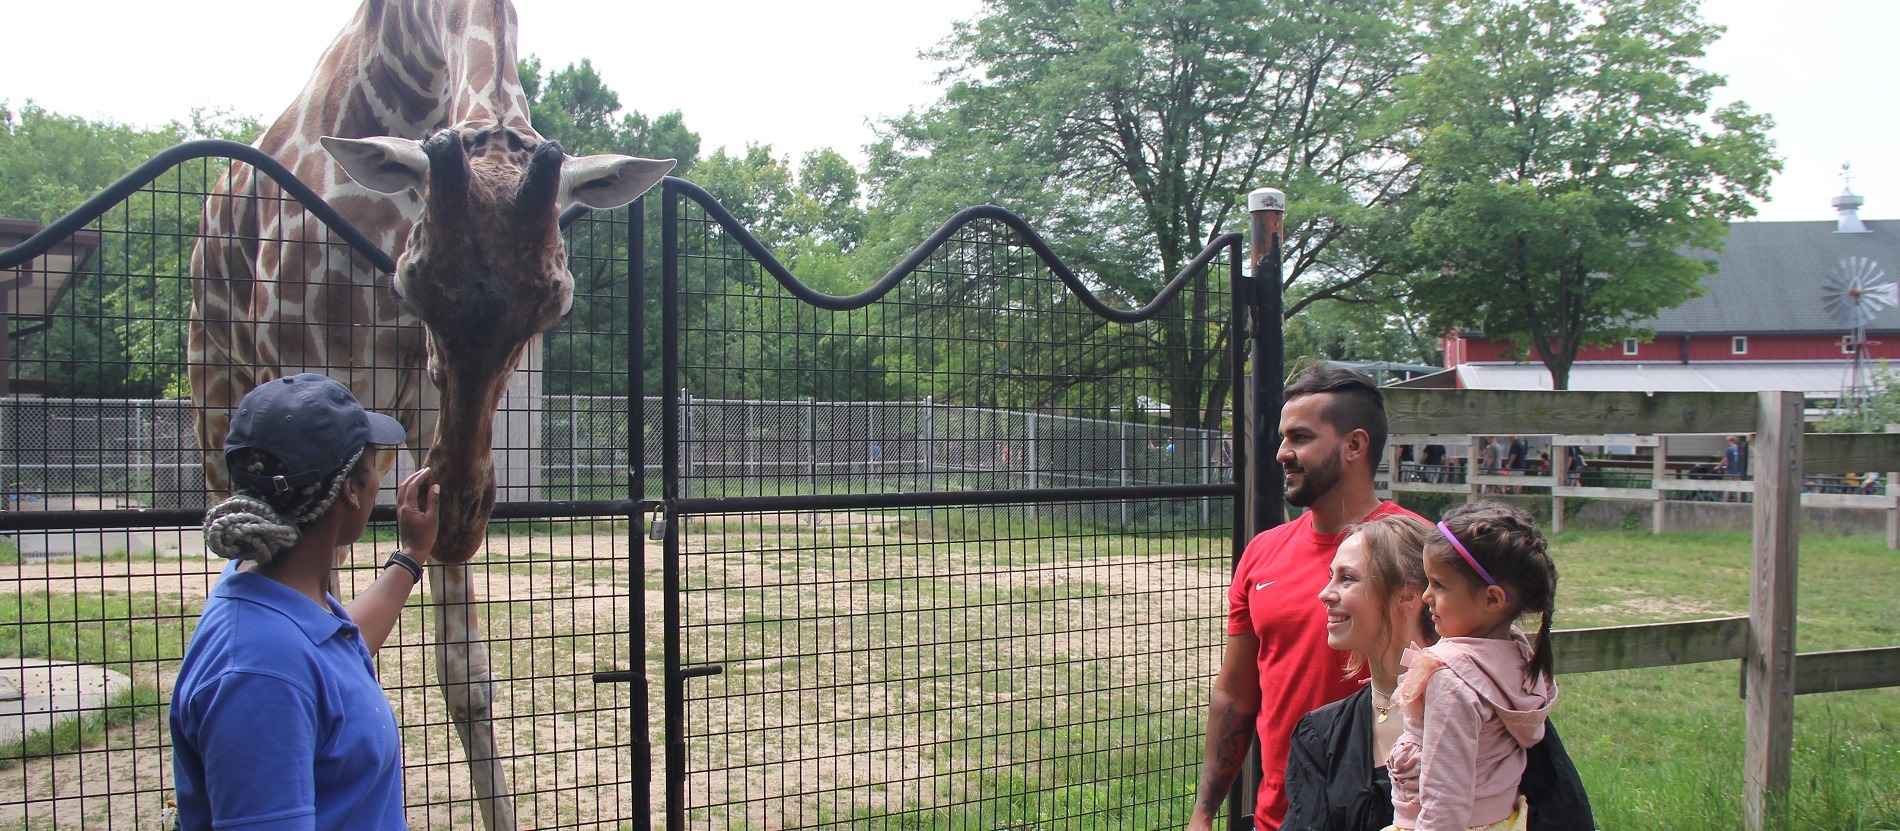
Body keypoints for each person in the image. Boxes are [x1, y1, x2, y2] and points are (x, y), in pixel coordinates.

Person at [171, 374, 439, 831]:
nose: (381, 477)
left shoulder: (265, 590)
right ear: (352, 489)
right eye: (374, 462)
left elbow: (332, 652)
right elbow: (284, 672)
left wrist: (411, 557)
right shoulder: (258, 675)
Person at [1188, 364, 1424, 831]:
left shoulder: (1419, 549)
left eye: (1299, 437)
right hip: (1280, 816)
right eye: (1281, 438)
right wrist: (1204, 813)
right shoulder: (1262, 553)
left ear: (1354, 445)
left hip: (1390, 815)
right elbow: (1236, 695)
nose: (1281, 454)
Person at [1283, 515, 1593, 831]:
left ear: (1410, 594)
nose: (1325, 593)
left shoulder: (1495, 706)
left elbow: (1566, 816)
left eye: (1347, 578)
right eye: (1330, 576)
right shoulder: (1321, 735)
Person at [1384, 501, 1561, 831]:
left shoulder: (1452, 681)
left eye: (1440, 585)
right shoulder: (1516, 656)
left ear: (1491, 599)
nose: (1426, 596)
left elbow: (1444, 799)